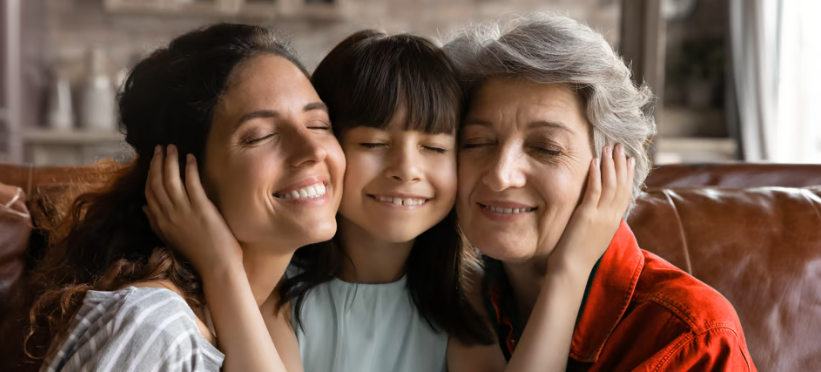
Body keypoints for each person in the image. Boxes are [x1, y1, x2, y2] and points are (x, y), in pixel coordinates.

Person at [276, 30, 634, 372]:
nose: (406, 171)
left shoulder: (460, 290)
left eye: (434, 148)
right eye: (372, 144)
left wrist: (568, 270)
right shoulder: (277, 288)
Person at [444, 13, 758, 371]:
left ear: (614, 171)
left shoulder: (688, 337)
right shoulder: (443, 291)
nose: (501, 175)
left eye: (546, 148)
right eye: (478, 141)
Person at [25, 23, 344, 372]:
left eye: (319, 125)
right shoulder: (154, 327)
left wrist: (223, 269)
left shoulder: (280, 313)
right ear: (183, 178)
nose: (313, 150)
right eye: (260, 136)